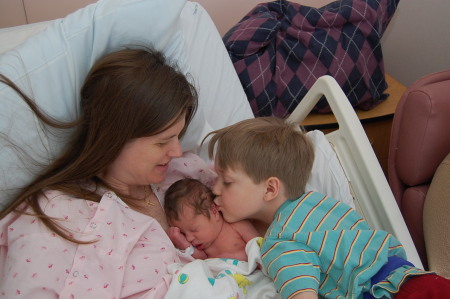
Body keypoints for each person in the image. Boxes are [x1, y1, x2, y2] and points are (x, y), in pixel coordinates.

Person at [0, 48, 198, 298]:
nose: (177, 151)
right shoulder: (56, 216)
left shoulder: (187, 175)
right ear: (114, 138)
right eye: (162, 142)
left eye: (178, 136)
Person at [207, 116, 450, 299]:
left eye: (226, 181)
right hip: (416, 278)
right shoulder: (323, 204)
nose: (214, 189)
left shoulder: (280, 241)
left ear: (270, 189)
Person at [164, 178, 259, 261]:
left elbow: (260, 248)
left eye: (194, 229)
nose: (189, 238)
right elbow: (200, 260)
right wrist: (183, 243)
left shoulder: (236, 225)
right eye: (184, 234)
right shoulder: (202, 248)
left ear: (214, 211)